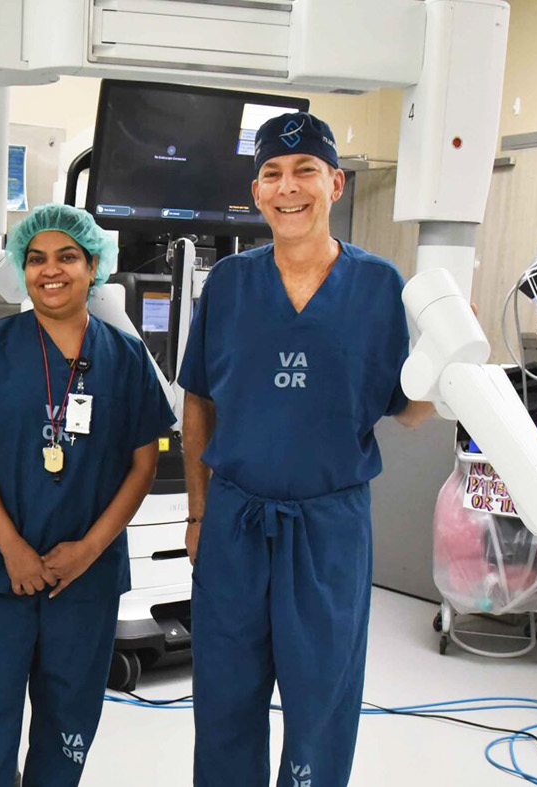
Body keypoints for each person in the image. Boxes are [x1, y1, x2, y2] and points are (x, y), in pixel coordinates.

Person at [178, 111, 436, 787]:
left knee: (321, 697)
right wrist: (199, 513)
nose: (288, 187)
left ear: (336, 184)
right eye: (273, 174)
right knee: (226, 694)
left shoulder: (379, 287)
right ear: (257, 192)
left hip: (327, 528)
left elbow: (408, 411)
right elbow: (198, 402)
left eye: (305, 171)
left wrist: (450, 370)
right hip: (234, 522)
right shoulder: (230, 284)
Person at [0, 204, 175, 787]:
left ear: (94, 265)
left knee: (70, 715)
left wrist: (90, 550)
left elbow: (144, 465)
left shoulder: (125, 358)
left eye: (68, 256)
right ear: (22, 267)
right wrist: (11, 547)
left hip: (86, 576)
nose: (52, 270)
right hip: (4, 568)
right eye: (37, 258)